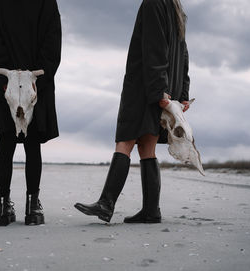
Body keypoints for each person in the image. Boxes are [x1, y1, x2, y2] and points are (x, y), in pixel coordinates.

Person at [74, 0, 190, 223]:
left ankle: (106, 203)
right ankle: (151, 211)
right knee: (147, 146)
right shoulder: (177, 10)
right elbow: (184, 57)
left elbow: (155, 49)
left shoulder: (153, 3)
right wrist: (182, 93)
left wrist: (157, 92)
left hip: (145, 86)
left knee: (125, 141)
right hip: (164, 88)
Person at [0, 0, 61, 226]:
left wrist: (4, 76)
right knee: (32, 143)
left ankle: (3, 207)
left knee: (6, 143)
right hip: (36, 81)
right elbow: (52, 39)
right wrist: (38, 75)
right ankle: (32, 207)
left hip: (6, 81)